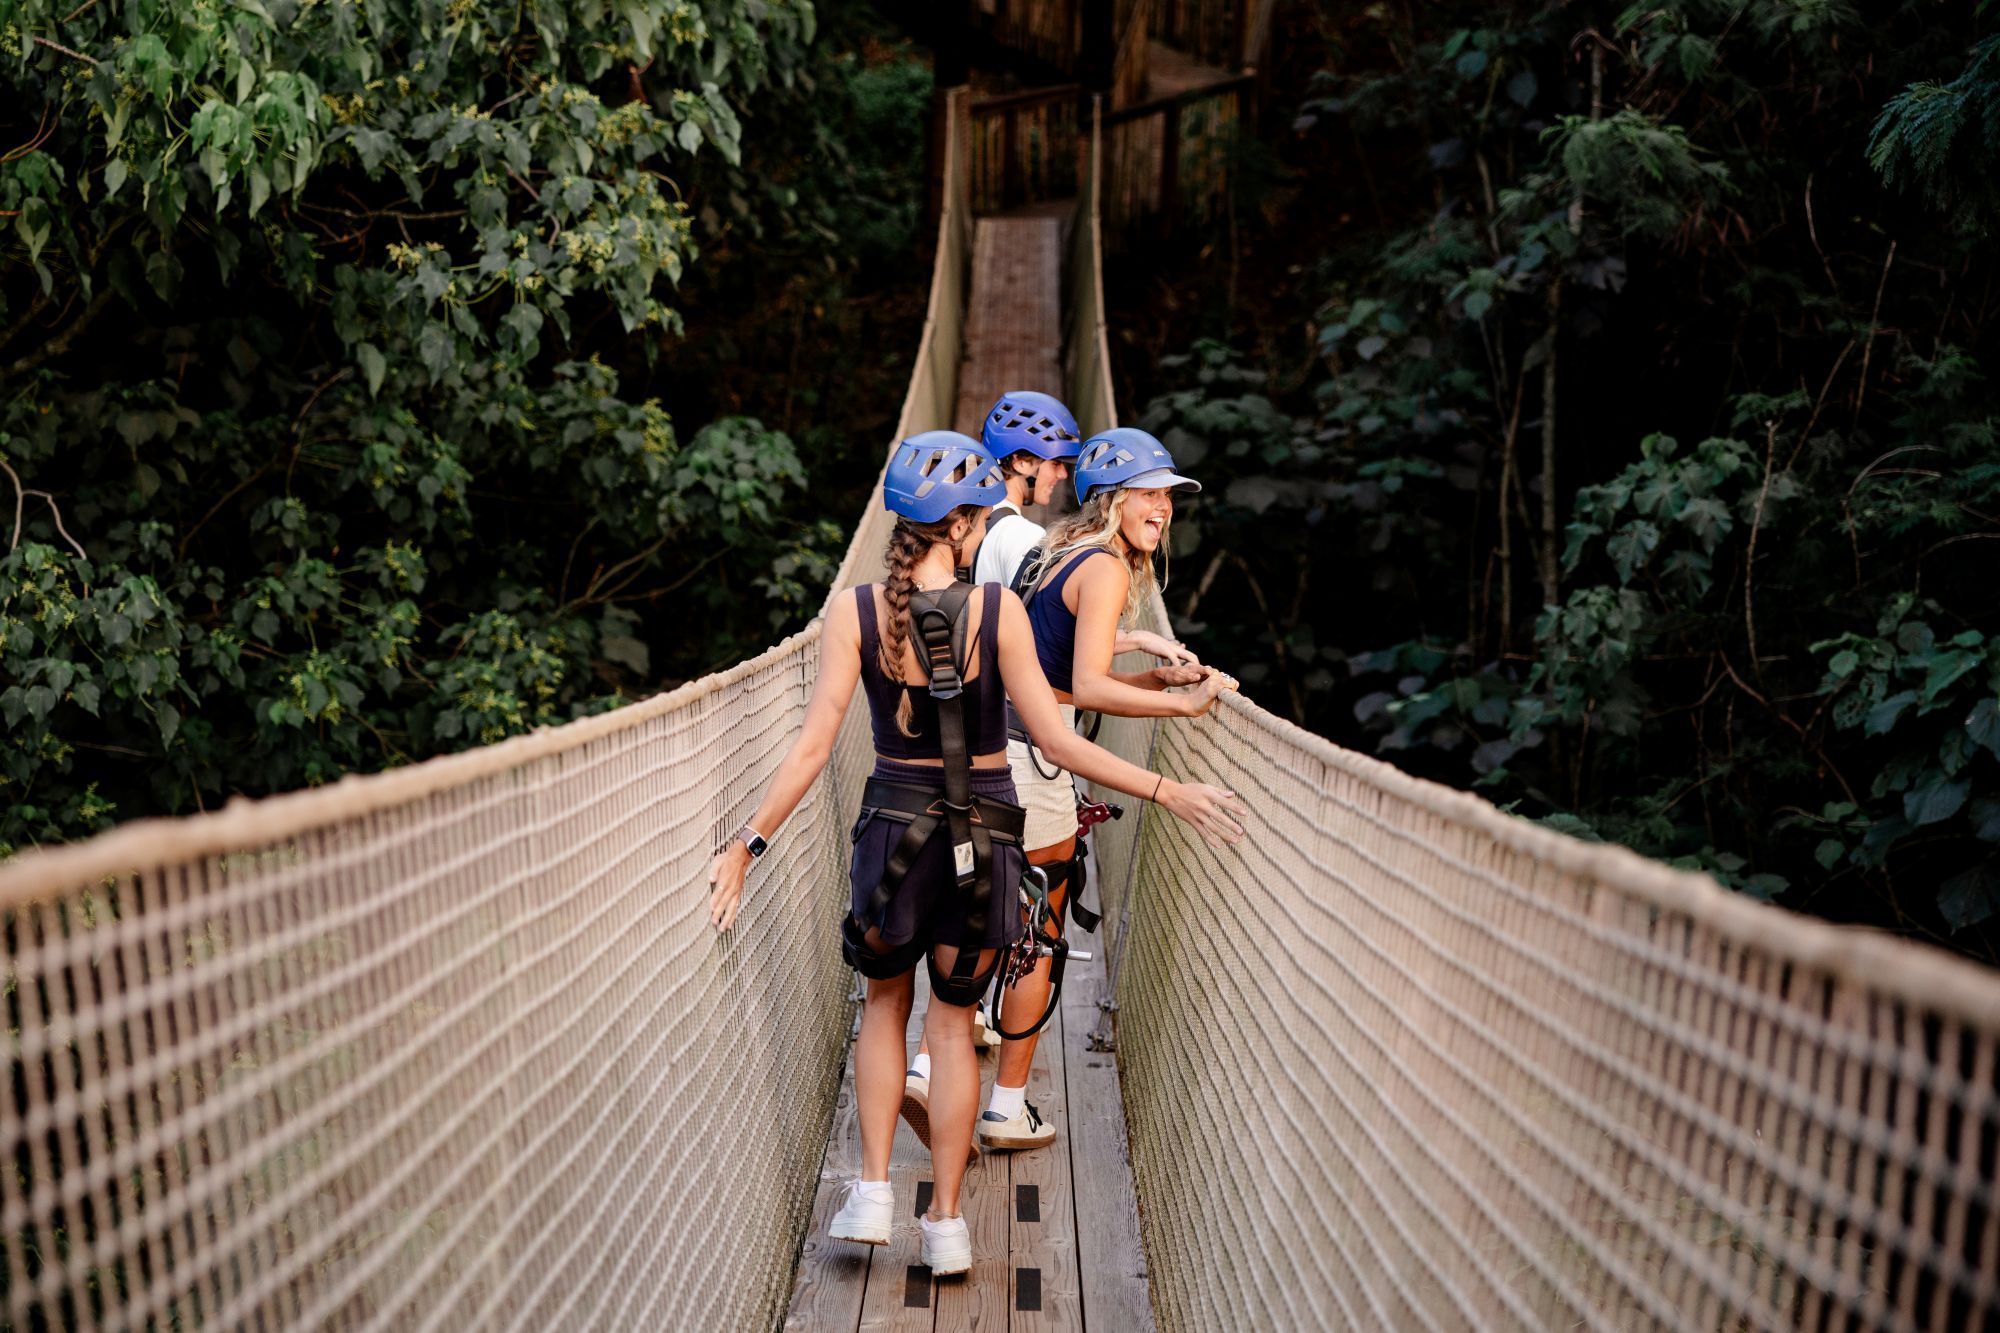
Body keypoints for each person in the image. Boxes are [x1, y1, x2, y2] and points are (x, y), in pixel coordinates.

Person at [705, 429, 1247, 1278]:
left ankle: (874, 1190)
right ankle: (948, 1223)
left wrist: (747, 844)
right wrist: (1167, 790)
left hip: (891, 832)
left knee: (884, 1004)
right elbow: (1056, 739)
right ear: (962, 526)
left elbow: (813, 749)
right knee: (952, 1024)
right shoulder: (996, 612)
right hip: (986, 837)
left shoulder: (853, 612)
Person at [973, 426, 1232, 1152]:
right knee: (1038, 930)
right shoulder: (1110, 570)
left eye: (1169, 496)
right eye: (1149, 494)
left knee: (989, 910)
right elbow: (1081, 689)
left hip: (994, 740)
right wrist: (1173, 744)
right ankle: (1006, 1105)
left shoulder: (1065, 553)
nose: (1164, 508)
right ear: (1115, 500)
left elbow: (1063, 668)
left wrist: (1154, 680)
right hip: (1033, 757)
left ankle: (940, 1056)